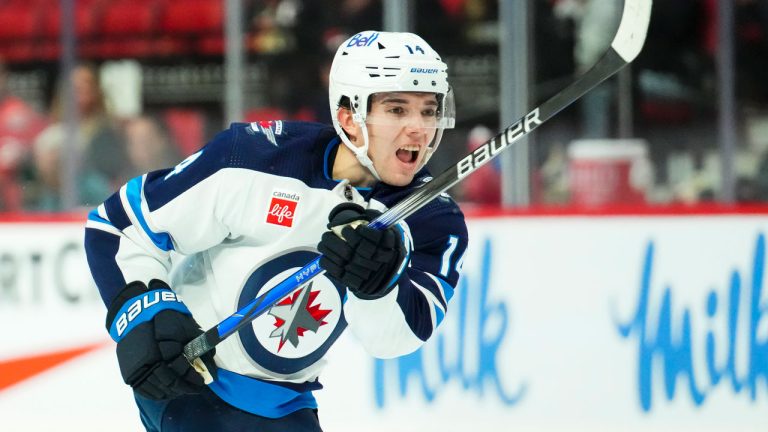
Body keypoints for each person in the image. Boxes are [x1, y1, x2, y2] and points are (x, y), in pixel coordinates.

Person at [84, 31, 468, 431]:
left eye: (428, 110)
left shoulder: (431, 221)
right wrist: (145, 315)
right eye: (397, 110)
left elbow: (391, 340)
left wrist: (377, 285)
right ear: (348, 116)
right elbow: (117, 226)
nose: (419, 129)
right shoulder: (257, 158)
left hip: (283, 403)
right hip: (191, 379)